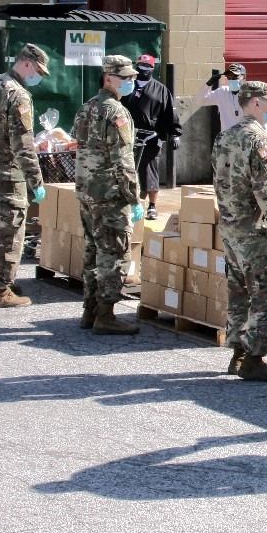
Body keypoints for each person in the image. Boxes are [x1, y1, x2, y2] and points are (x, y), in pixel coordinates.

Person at [212, 81, 267, 382]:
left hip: (232, 226)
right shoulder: (257, 139)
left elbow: (219, 182)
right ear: (255, 103)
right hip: (255, 230)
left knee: (239, 290)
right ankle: (254, 357)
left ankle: (238, 353)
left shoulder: (225, 136)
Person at [73, 55, 145, 335]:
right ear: (109, 78)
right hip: (110, 194)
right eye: (125, 78)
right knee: (114, 252)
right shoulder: (116, 112)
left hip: (87, 191)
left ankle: (89, 309)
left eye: (132, 78)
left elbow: (79, 146)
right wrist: (134, 198)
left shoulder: (87, 107)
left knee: (92, 250)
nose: (131, 82)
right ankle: (106, 314)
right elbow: (123, 160)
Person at [0, 44, 50, 308]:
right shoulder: (19, 95)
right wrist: (36, 180)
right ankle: (1, 290)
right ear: (27, 63)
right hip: (8, 172)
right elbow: (23, 143)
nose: (38, 76)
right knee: (11, 231)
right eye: (39, 70)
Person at [122, 54, 182, 219]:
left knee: (149, 171)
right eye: (141, 66)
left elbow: (170, 113)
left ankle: (152, 206)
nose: (144, 69)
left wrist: (175, 134)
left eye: (148, 67)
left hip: (151, 138)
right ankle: (128, 203)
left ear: (153, 69)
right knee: (126, 171)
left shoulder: (161, 90)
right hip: (127, 137)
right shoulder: (127, 86)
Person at [201, 62, 247, 133]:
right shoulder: (222, 92)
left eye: (235, 77)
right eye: (229, 77)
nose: (231, 80)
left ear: (243, 77)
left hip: (245, 138)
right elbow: (201, 100)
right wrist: (209, 83)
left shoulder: (251, 93)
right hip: (227, 139)